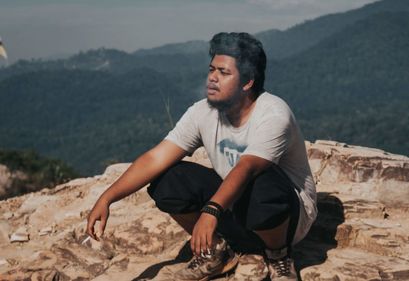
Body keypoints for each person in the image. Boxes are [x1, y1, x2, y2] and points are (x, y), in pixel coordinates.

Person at [86, 32, 317, 281]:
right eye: (211, 70)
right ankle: (215, 252)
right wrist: (107, 198)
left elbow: (248, 167)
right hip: (234, 210)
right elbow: (156, 158)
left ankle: (278, 256)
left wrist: (211, 211)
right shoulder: (203, 112)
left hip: (285, 220)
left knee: (260, 178)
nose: (212, 78)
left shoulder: (273, 114)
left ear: (248, 82)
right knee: (168, 178)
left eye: (224, 73)